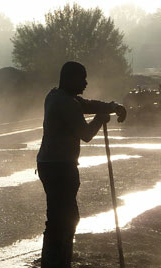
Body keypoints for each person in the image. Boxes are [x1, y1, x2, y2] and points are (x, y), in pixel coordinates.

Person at [36, 61, 126, 268]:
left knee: (62, 219)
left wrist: (112, 107)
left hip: (52, 164)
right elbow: (85, 134)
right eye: (82, 78)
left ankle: (58, 261)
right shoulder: (65, 103)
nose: (86, 82)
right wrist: (99, 119)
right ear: (69, 79)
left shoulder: (57, 96)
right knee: (63, 220)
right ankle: (54, 262)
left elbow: (86, 104)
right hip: (59, 167)